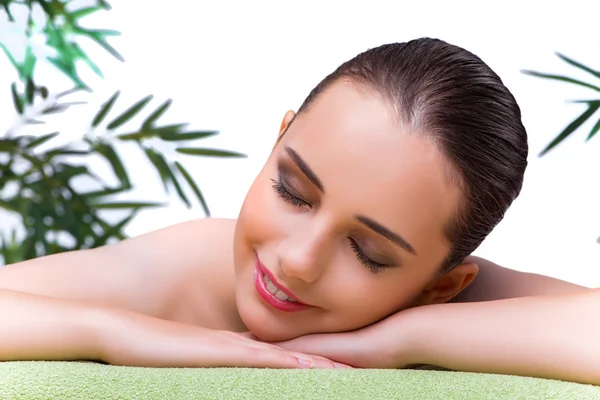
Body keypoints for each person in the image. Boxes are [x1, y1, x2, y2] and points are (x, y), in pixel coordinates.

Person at [0, 38, 597, 384]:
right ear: (279, 139)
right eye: (293, 191)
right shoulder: (184, 267)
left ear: (440, 287)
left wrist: (407, 337)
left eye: (368, 253)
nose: (298, 259)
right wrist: (111, 332)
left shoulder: (449, 300)